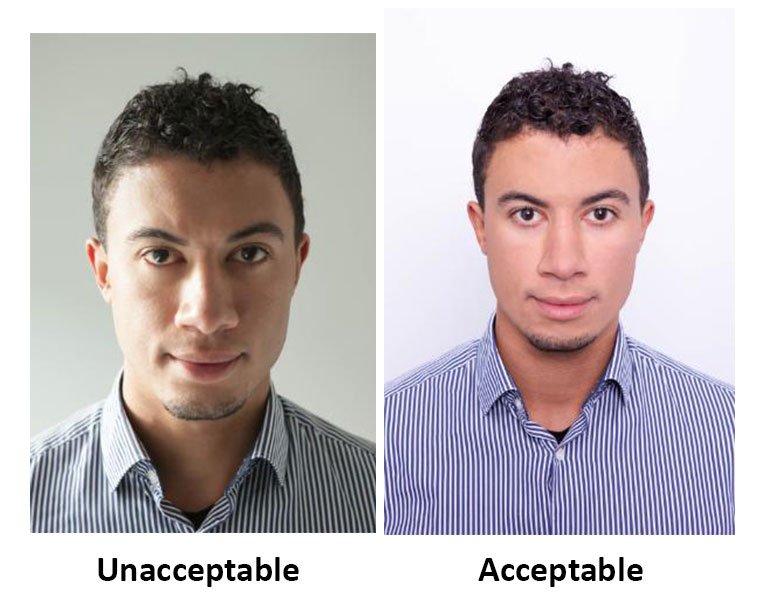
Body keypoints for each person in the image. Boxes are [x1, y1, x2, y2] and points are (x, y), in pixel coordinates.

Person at [384, 63, 734, 535]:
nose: (563, 262)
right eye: (527, 214)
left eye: (601, 214)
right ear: (481, 226)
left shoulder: (734, 437)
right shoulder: (388, 440)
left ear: (642, 226)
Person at [31, 71, 375, 533]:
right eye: (160, 255)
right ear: (104, 271)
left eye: (249, 254)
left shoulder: (380, 499)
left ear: (297, 264)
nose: (209, 315)